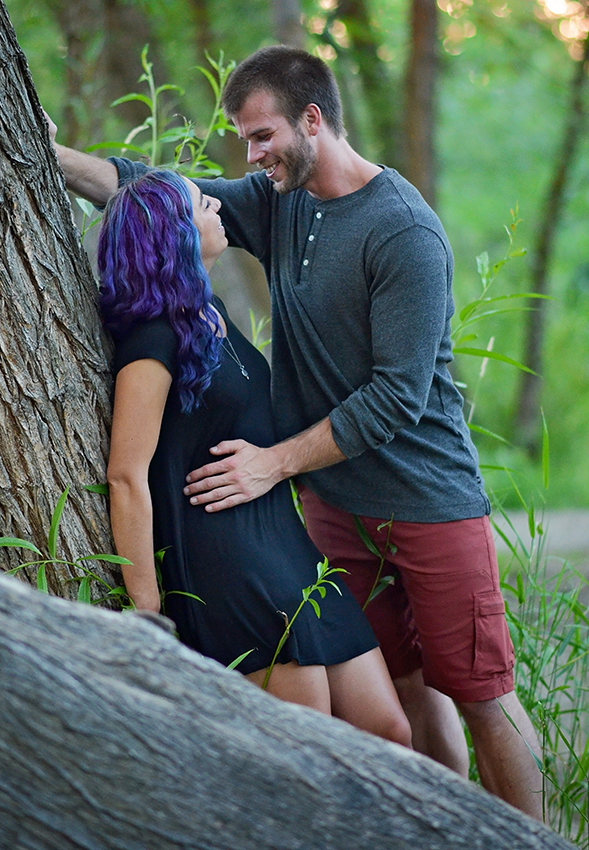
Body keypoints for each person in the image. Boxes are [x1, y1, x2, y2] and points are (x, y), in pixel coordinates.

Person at [47, 45, 543, 818]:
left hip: (427, 501)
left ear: (313, 119)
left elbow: (396, 399)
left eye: (261, 136)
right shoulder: (281, 201)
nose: (250, 157)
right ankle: (446, 832)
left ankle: (529, 839)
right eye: (245, 140)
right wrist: (48, 155)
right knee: (404, 695)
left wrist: (275, 464)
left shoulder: (403, 232)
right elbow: (162, 193)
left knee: (479, 693)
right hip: (335, 508)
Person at [97, 166, 411, 744]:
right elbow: (126, 475)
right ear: (174, 235)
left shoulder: (208, 312)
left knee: (389, 732)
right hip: (230, 564)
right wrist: (147, 611)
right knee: (309, 751)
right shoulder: (152, 340)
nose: (216, 206)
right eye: (199, 204)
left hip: (290, 552)